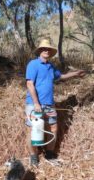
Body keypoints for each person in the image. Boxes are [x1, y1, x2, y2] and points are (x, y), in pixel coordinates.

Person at [25, 38, 84, 166]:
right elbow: (29, 84)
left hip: (49, 105)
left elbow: (61, 76)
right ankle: (33, 156)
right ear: (40, 51)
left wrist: (75, 74)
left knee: (53, 127)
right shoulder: (33, 64)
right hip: (34, 104)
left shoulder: (51, 66)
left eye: (49, 49)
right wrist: (36, 103)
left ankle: (50, 154)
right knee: (32, 129)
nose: (46, 51)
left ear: (51, 53)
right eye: (44, 49)